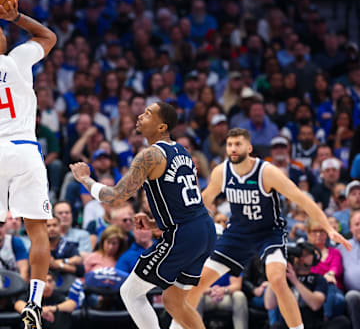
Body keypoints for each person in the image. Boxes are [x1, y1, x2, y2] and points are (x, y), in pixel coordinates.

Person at [170, 128, 351, 329]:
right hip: (237, 234)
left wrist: (328, 227)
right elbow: (204, 200)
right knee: (199, 282)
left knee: (277, 280)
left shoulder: (267, 172)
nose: (233, 149)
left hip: (268, 233)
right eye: (230, 145)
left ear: (249, 147)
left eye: (238, 144)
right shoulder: (221, 172)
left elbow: (302, 199)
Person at [70, 101, 216, 329]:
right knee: (174, 302)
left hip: (184, 234)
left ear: (161, 127)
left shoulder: (150, 155)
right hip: (204, 230)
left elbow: (116, 197)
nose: (140, 115)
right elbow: (186, 201)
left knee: (130, 292)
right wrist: (155, 222)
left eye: (148, 113)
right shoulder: (183, 152)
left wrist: (85, 179)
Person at [0, 0, 57, 328]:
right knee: (37, 228)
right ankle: (34, 302)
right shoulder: (18, 59)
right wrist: (16, 17)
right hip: (23, 148)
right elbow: (48, 37)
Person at [264, 241, 351, 329]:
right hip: (290, 325)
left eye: (306, 255)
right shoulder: (283, 279)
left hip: (314, 324)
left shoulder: (318, 279)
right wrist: (276, 276)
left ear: (314, 258)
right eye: (299, 255)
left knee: (342, 321)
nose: (301, 258)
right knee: (276, 326)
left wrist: (296, 282)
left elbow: (315, 304)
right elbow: (269, 305)